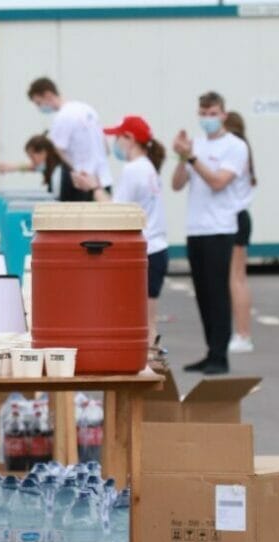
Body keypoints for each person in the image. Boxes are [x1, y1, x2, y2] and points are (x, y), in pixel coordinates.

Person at [72, 115, 169, 346]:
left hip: (145, 251)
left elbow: (116, 213)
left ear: (129, 138)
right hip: (156, 249)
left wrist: (94, 187)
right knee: (148, 322)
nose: (114, 143)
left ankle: (148, 364)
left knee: (142, 325)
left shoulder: (133, 169)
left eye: (117, 137)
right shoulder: (147, 167)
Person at [171, 91, 250, 376]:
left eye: (213, 114)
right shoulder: (197, 145)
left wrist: (193, 158)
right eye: (203, 114)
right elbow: (177, 184)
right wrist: (183, 157)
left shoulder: (235, 147)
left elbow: (218, 182)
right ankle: (210, 350)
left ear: (223, 115)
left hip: (221, 227)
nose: (207, 119)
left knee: (218, 292)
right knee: (202, 293)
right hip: (196, 228)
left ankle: (220, 354)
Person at [25, 77, 111, 202]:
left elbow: (58, 152)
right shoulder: (87, 109)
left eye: (39, 103)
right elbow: (106, 148)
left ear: (48, 95)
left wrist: (77, 170)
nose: (39, 108)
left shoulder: (62, 118)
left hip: (83, 183)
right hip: (104, 179)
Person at [224, 111, 257, 353]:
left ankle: (243, 334)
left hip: (234, 217)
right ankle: (241, 333)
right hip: (239, 217)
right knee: (236, 277)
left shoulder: (236, 151)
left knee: (236, 278)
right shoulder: (244, 150)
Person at [0, 134, 66, 196]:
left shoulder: (59, 171)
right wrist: (10, 168)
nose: (32, 161)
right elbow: (29, 167)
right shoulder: (47, 166)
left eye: (32, 157)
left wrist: (10, 168)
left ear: (43, 152)